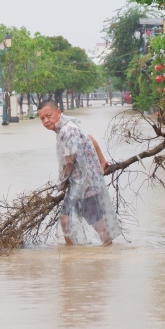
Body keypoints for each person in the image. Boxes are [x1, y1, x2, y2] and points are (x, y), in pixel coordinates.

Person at [37, 99, 122, 246]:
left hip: (85, 184)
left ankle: (96, 255)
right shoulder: (68, 125)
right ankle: (75, 255)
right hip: (82, 183)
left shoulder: (66, 130)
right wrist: (102, 160)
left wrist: (61, 182)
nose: (45, 121)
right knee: (69, 220)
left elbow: (69, 161)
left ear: (58, 112)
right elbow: (89, 137)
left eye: (48, 116)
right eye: (42, 118)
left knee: (88, 221)